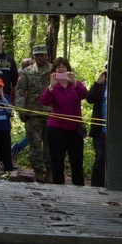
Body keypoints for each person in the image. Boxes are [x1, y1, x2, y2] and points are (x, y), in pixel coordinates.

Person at [39, 57, 88, 185]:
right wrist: (51, 86)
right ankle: (58, 188)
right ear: (54, 71)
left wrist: (75, 83)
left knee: (76, 161)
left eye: (64, 67)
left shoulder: (75, 84)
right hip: (56, 129)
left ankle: (79, 187)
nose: (61, 69)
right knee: (57, 161)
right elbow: (44, 101)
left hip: (74, 130)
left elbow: (84, 95)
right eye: (58, 67)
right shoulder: (53, 87)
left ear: (68, 69)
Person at [16, 46, 53, 182]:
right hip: (33, 113)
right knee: (35, 143)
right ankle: (38, 170)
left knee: (50, 143)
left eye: (42, 55)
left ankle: (50, 170)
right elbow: (20, 91)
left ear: (46, 55)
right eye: (37, 56)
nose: (39, 58)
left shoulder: (53, 70)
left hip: (51, 113)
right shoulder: (27, 72)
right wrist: (21, 110)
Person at [86, 64, 108, 187]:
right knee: (99, 157)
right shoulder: (101, 85)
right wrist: (97, 82)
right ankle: (96, 186)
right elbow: (89, 99)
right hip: (99, 129)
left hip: (114, 130)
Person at [10, 57, 35, 159]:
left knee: (33, 135)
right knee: (31, 135)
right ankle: (16, 148)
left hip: (37, 109)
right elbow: (19, 95)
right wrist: (21, 110)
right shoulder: (22, 78)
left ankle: (16, 148)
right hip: (27, 110)